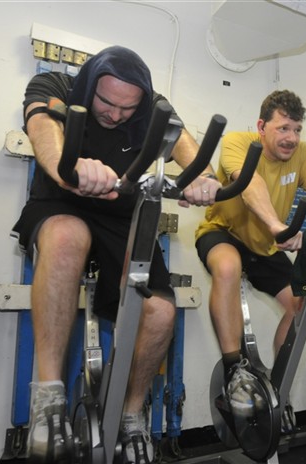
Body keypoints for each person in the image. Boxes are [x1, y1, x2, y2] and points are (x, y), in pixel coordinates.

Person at [12, 46, 221, 463]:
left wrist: (206, 179)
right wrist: (69, 169)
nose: (115, 114)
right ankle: (48, 399)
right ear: (90, 85)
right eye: (106, 102)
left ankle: (131, 415)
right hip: (61, 203)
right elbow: (43, 133)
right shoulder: (54, 86)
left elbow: (187, 148)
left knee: (161, 311)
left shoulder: (153, 110)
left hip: (122, 219)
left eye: (127, 107)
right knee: (69, 237)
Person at [195, 89, 306, 417]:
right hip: (224, 232)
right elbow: (250, 184)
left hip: (265, 246)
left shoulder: (303, 155)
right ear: (262, 126)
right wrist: (276, 225)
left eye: (296, 130)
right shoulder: (239, 143)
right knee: (227, 268)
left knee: (300, 304)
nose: (291, 138)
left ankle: (278, 387)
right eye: (283, 128)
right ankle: (233, 370)